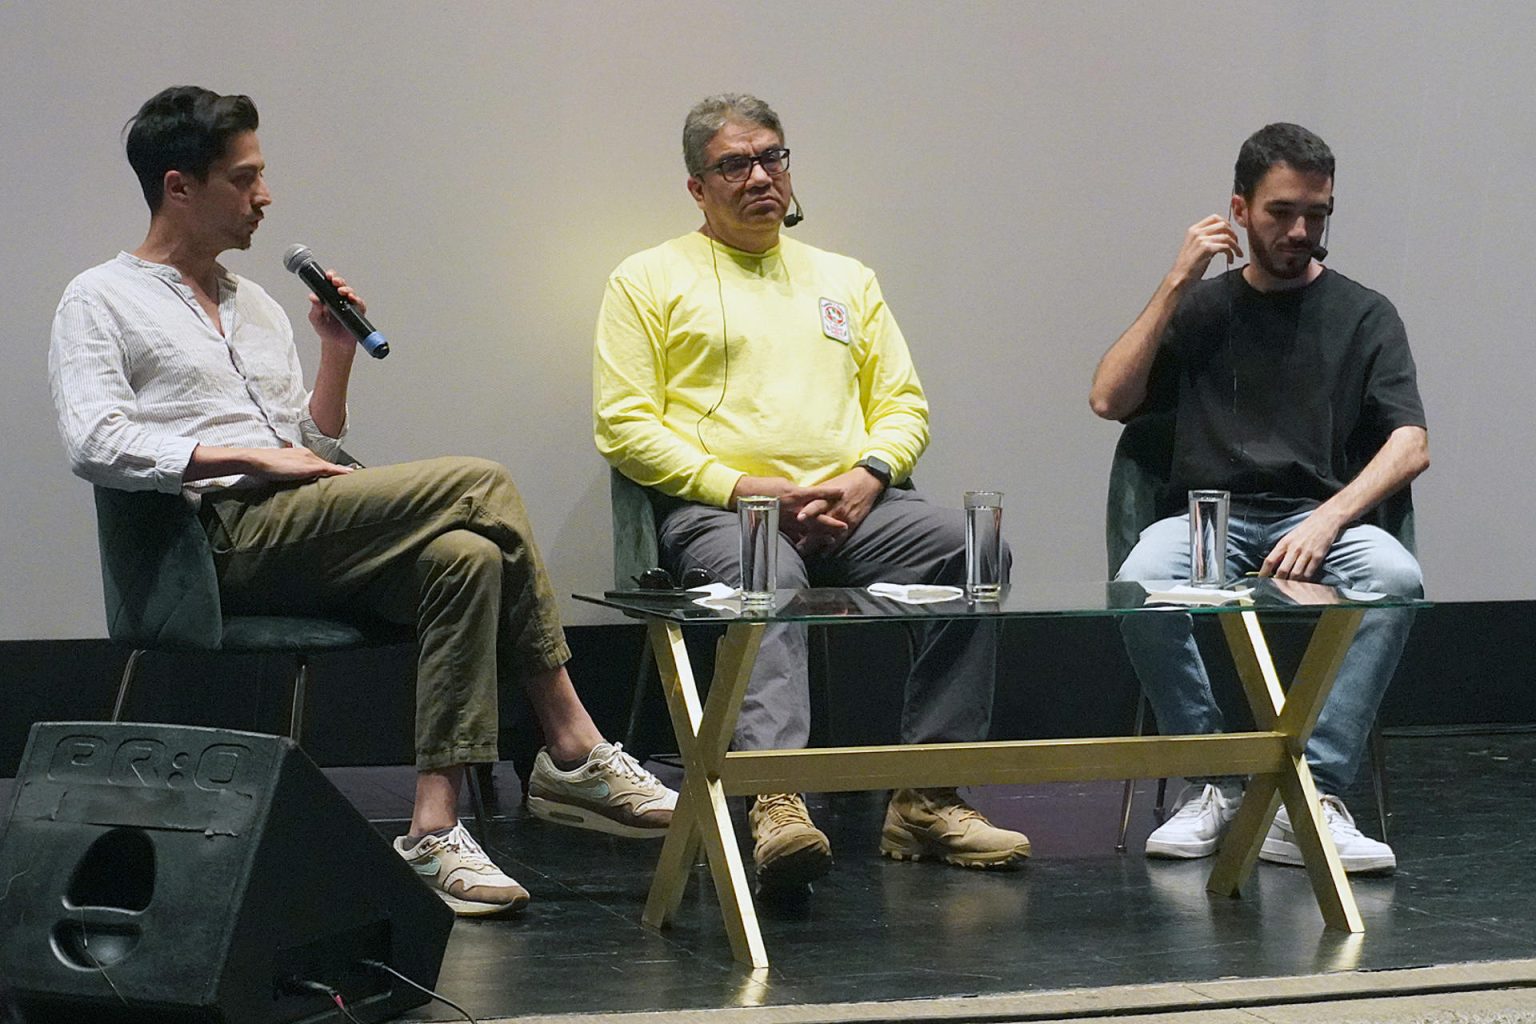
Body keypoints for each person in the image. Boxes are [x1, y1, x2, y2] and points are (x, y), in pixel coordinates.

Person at [48, 86, 676, 918]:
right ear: (178, 187)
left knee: (469, 556)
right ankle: (570, 741)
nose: (265, 197)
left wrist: (334, 355)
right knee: (481, 482)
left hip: (293, 530)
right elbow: (93, 440)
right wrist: (242, 456)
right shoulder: (100, 298)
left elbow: (313, 446)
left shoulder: (258, 306)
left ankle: (432, 828)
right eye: (246, 179)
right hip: (210, 545)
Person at [593, 93, 1029, 892]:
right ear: (697, 186)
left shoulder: (845, 278)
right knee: (772, 571)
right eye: (736, 164)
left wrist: (869, 478)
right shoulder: (647, 279)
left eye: (774, 157)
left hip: (854, 508)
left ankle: (929, 797)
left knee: (976, 549)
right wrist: (744, 488)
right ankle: (775, 801)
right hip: (723, 513)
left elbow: (904, 405)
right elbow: (623, 426)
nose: (762, 176)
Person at [1089, 123, 1429, 874]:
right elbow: (1108, 397)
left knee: (1397, 580)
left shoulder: (1365, 315)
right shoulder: (1205, 309)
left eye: (1318, 213)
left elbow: (1411, 443)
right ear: (1238, 211)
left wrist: (1331, 517)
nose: (1301, 231)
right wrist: (1178, 279)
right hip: (1211, 523)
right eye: (1281, 213)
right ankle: (1209, 778)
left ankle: (1313, 795)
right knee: (1140, 581)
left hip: (1324, 521)